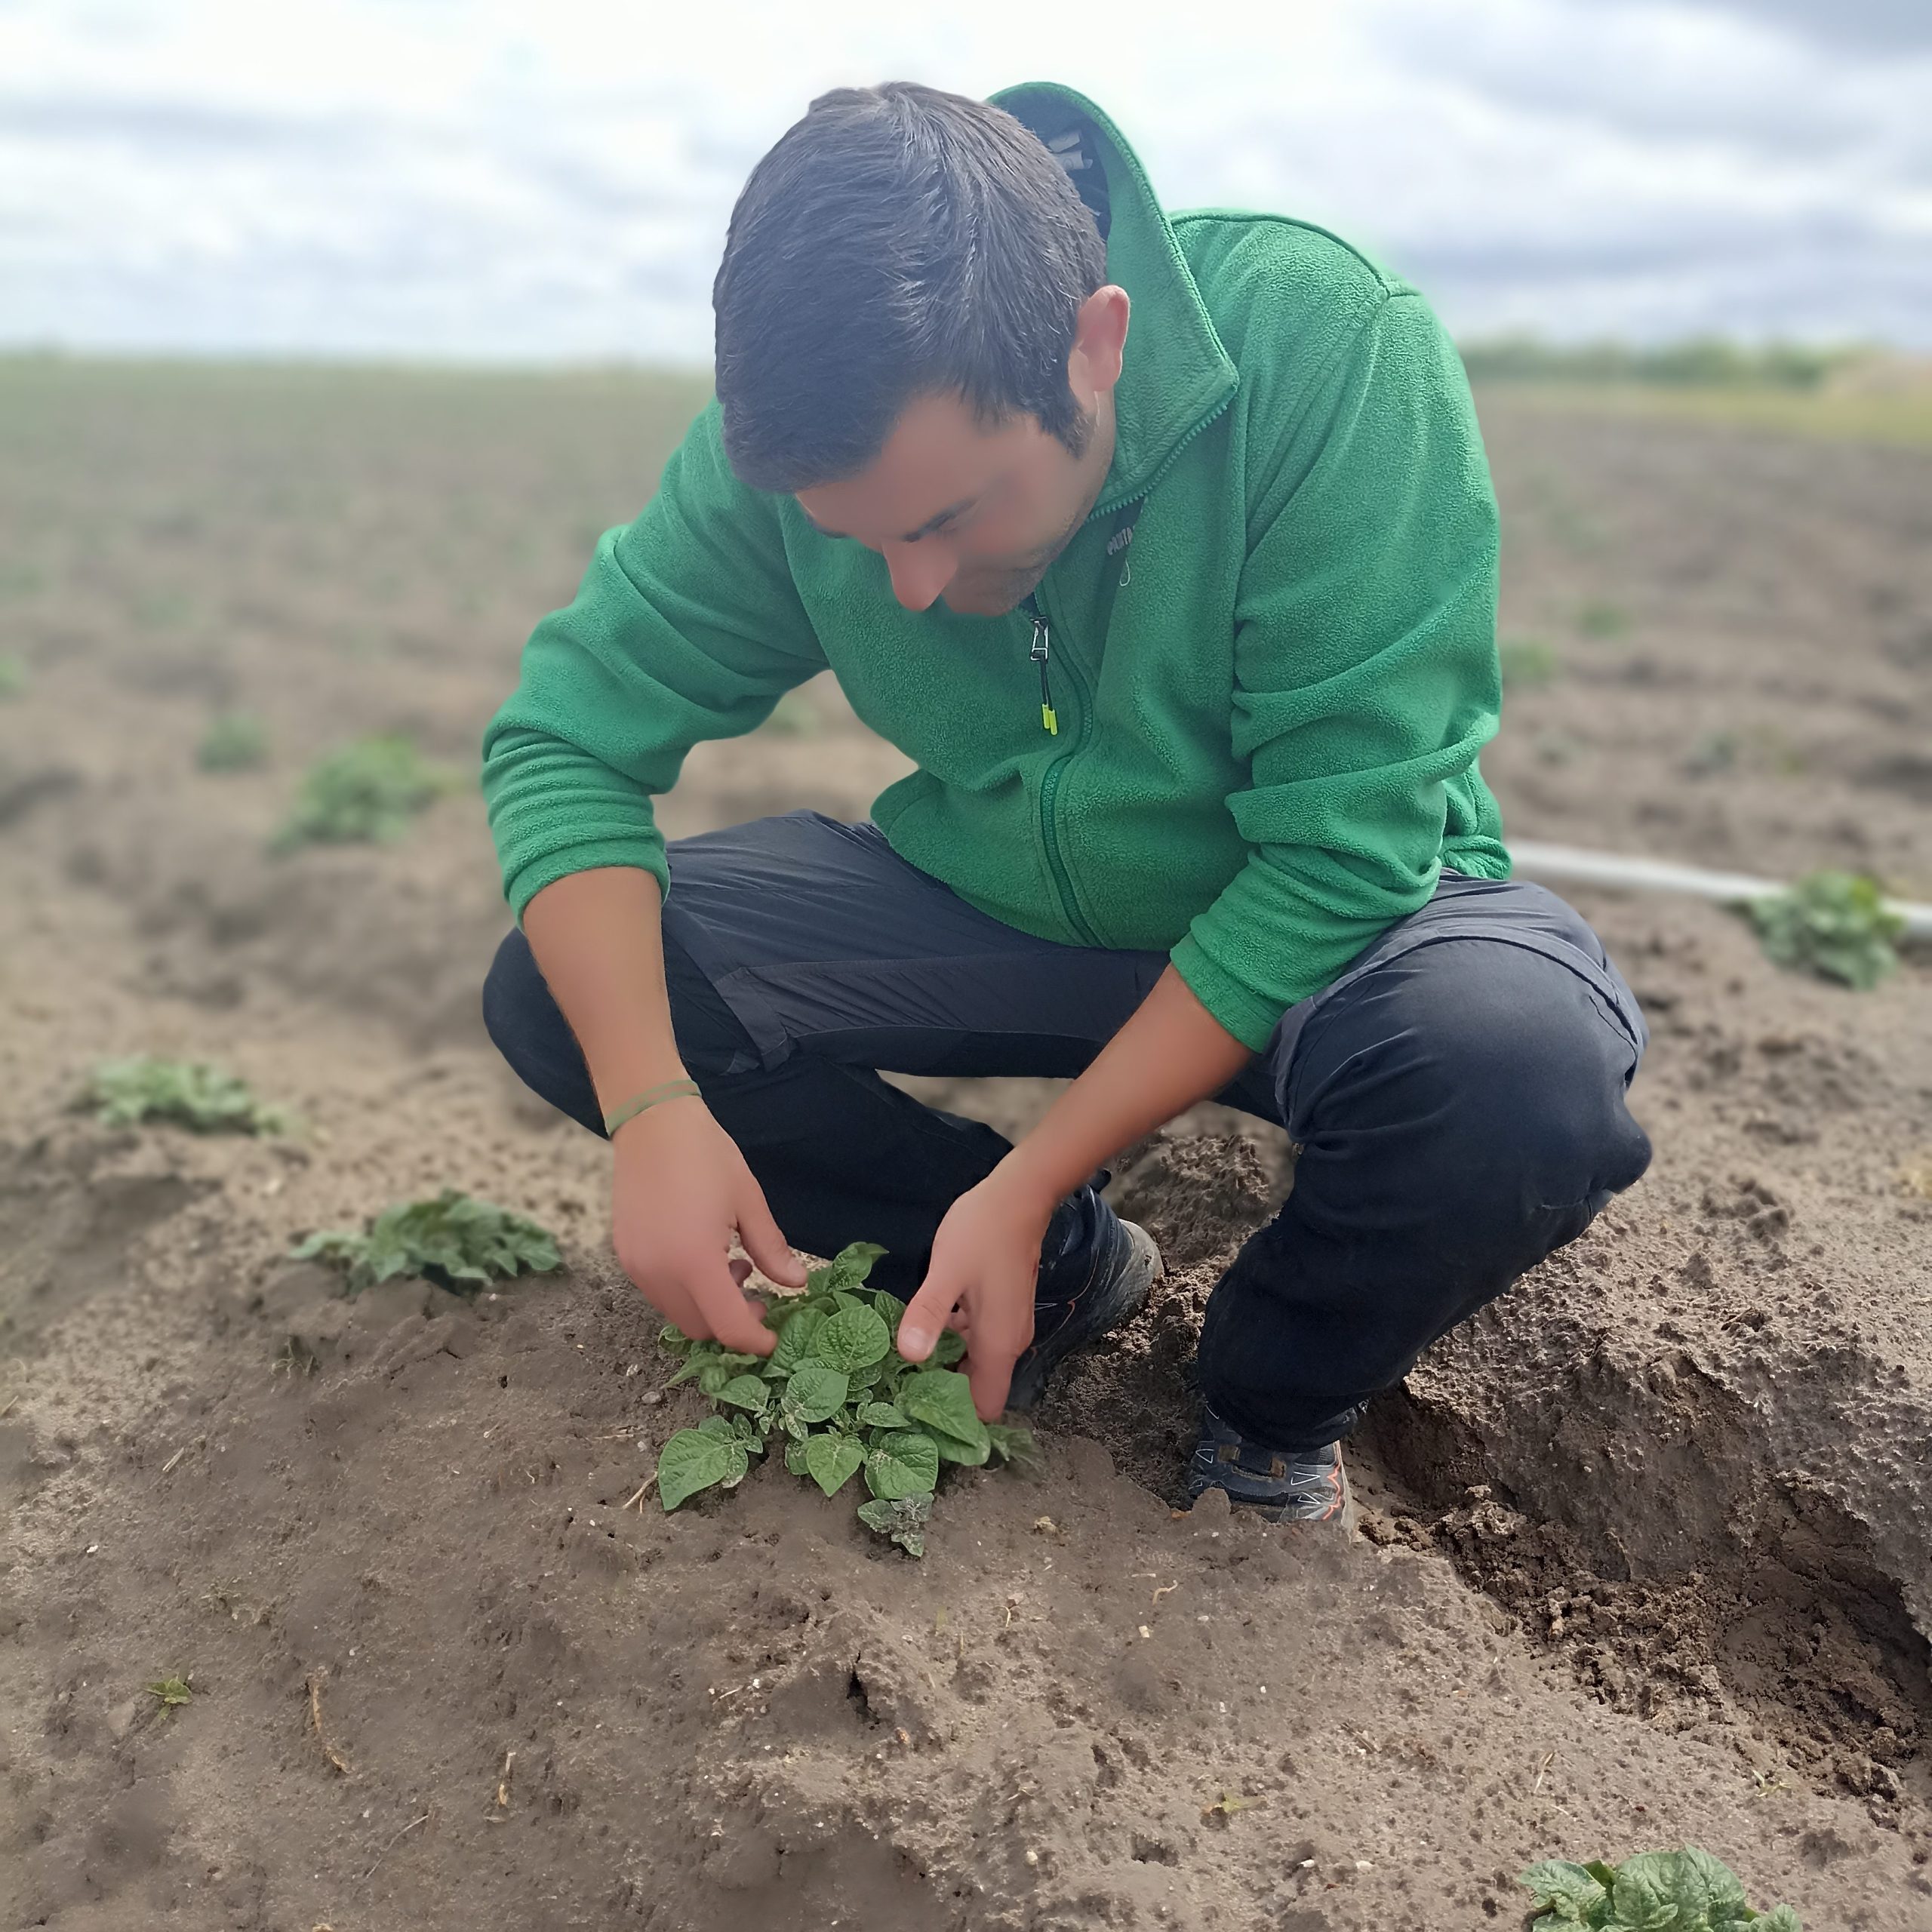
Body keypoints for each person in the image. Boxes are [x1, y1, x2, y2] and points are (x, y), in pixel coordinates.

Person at [479, 79, 1653, 1533]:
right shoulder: (790, 446)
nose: (910, 588)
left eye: (947, 518)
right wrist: (653, 1106)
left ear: (1096, 345)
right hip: (1003, 905)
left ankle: (1266, 1408)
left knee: (1515, 1083)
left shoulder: (1326, 344)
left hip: (1330, 926)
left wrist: (1036, 1167)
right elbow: (564, 740)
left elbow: (1339, 857)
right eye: (859, 539)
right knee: (570, 989)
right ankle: (1045, 1272)